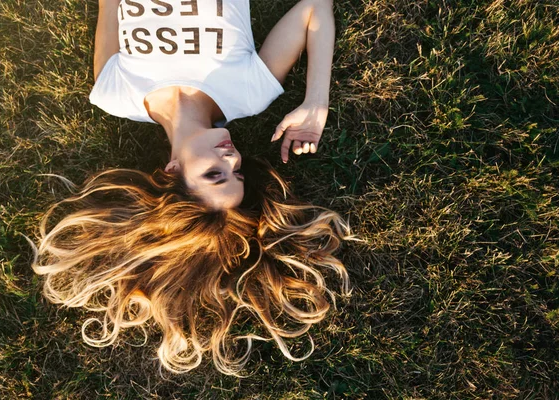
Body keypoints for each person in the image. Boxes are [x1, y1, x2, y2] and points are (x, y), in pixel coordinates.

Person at [31, 0, 353, 376]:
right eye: (238, 174)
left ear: (172, 170)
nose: (233, 160)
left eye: (215, 175)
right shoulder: (250, 92)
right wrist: (316, 103)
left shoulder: (113, 93)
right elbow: (315, 7)